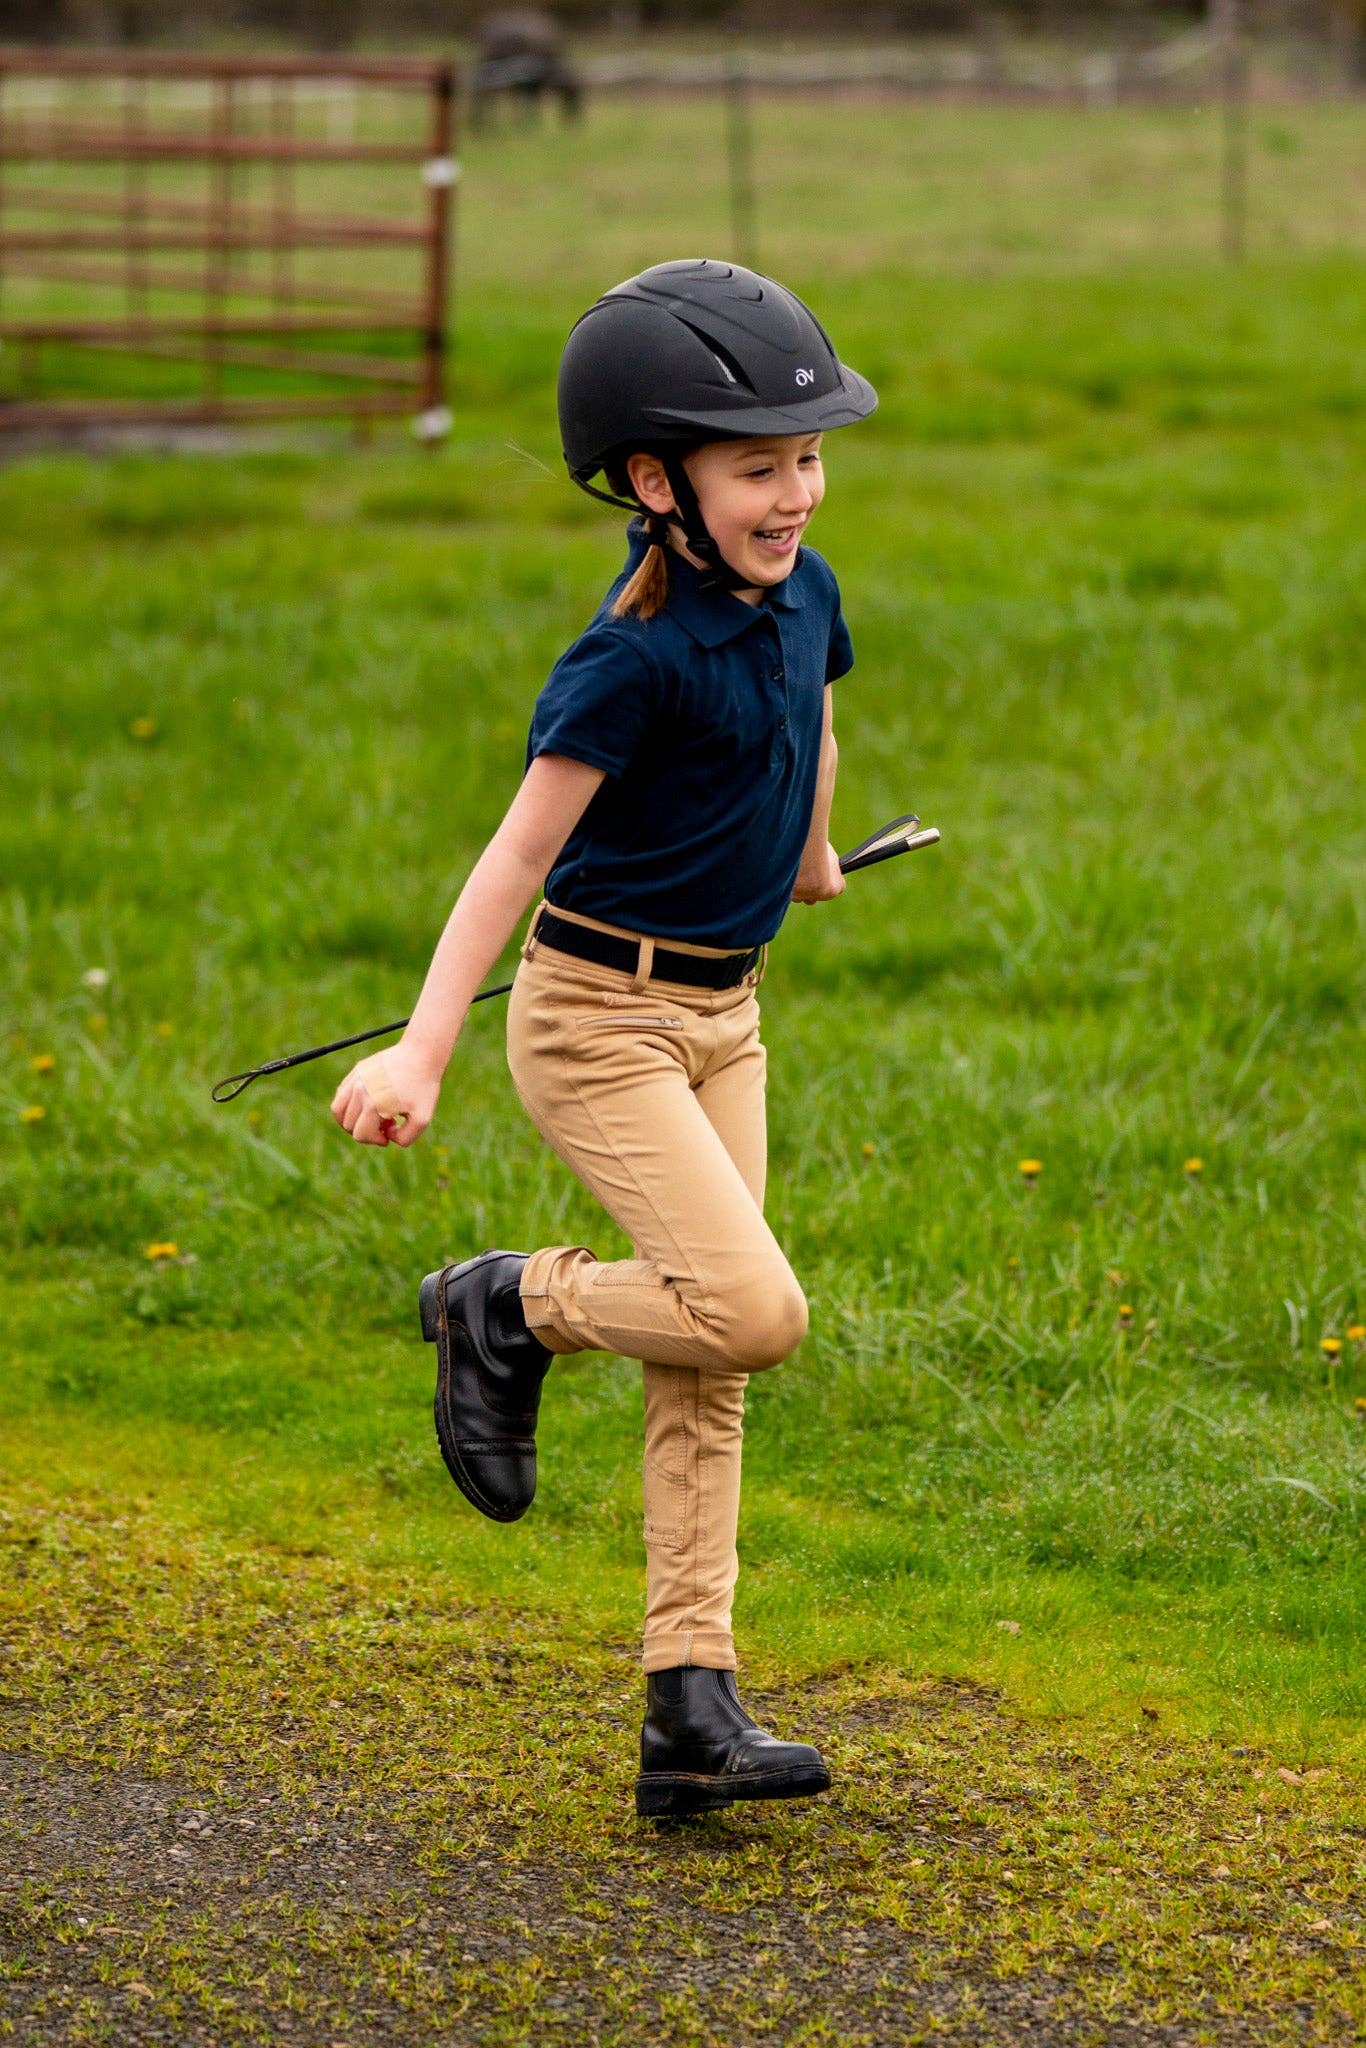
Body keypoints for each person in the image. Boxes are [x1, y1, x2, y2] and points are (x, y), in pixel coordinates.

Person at [330, 258, 876, 1819]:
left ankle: (686, 1709)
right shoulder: (625, 660)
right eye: (757, 467)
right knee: (749, 1308)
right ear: (655, 480)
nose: (796, 492)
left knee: (710, 1366)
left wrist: (810, 850)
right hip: (596, 1020)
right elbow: (512, 860)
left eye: (807, 457)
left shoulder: (807, 592)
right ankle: (506, 1304)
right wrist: (422, 1053)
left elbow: (811, 718)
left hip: (727, 1014)